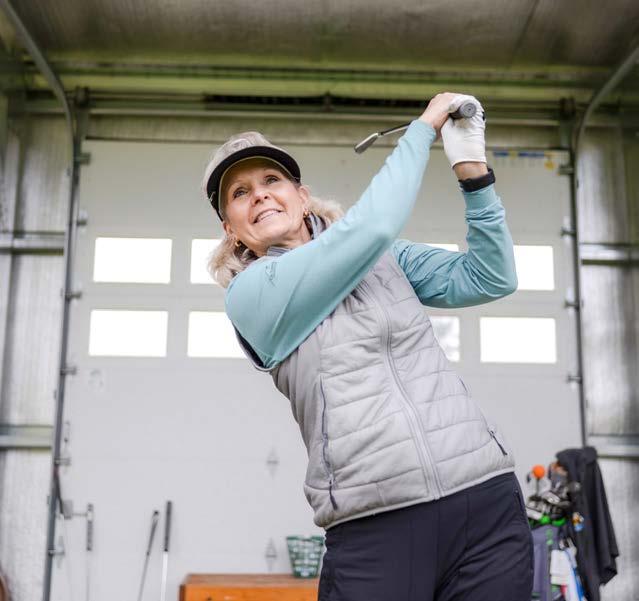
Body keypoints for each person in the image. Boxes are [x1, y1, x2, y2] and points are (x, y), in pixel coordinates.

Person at [202, 92, 534, 601]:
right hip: (376, 524)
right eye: (240, 193)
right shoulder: (251, 295)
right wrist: (422, 131)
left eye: (271, 180)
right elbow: (373, 225)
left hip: (483, 501)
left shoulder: (384, 257)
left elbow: (491, 276)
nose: (260, 196)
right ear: (231, 229)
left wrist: (473, 172)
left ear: (301, 196)